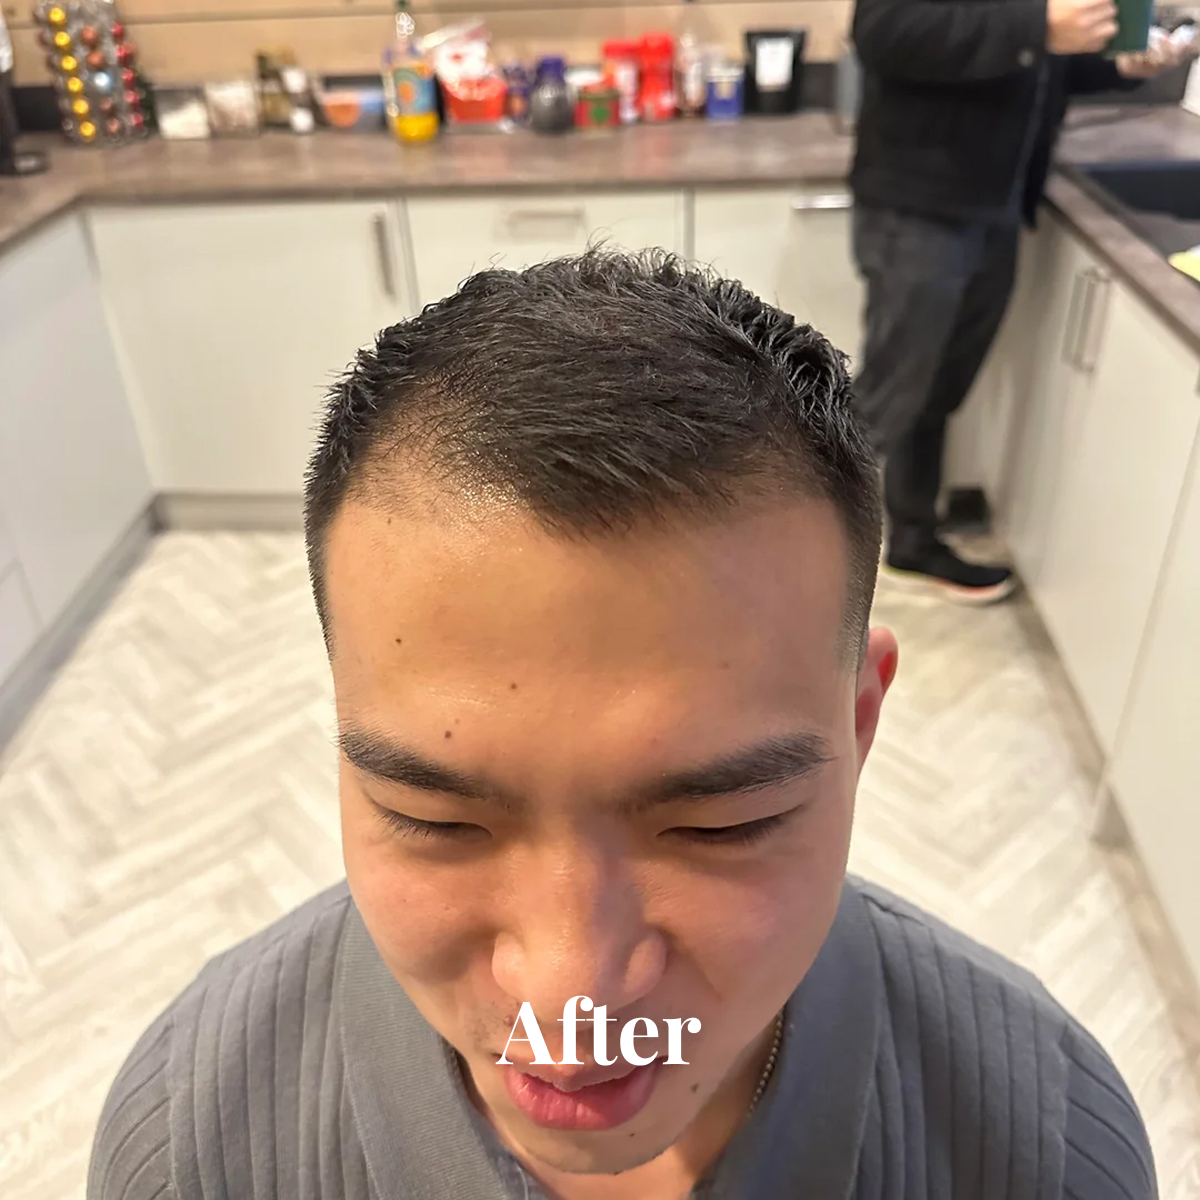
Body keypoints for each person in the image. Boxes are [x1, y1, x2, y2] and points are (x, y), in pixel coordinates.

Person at [89, 252, 1155, 1200]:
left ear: (862, 721)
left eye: (723, 824)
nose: (571, 995)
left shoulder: (1044, 1145)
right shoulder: (195, 1146)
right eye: (433, 819)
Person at [850, 0, 1194, 602]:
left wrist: (1121, 68)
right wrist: (1037, 27)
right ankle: (791, 562)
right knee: (889, 396)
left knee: (935, 391)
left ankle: (910, 537)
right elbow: (883, 32)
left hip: (991, 205)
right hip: (920, 206)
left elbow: (1043, 66)